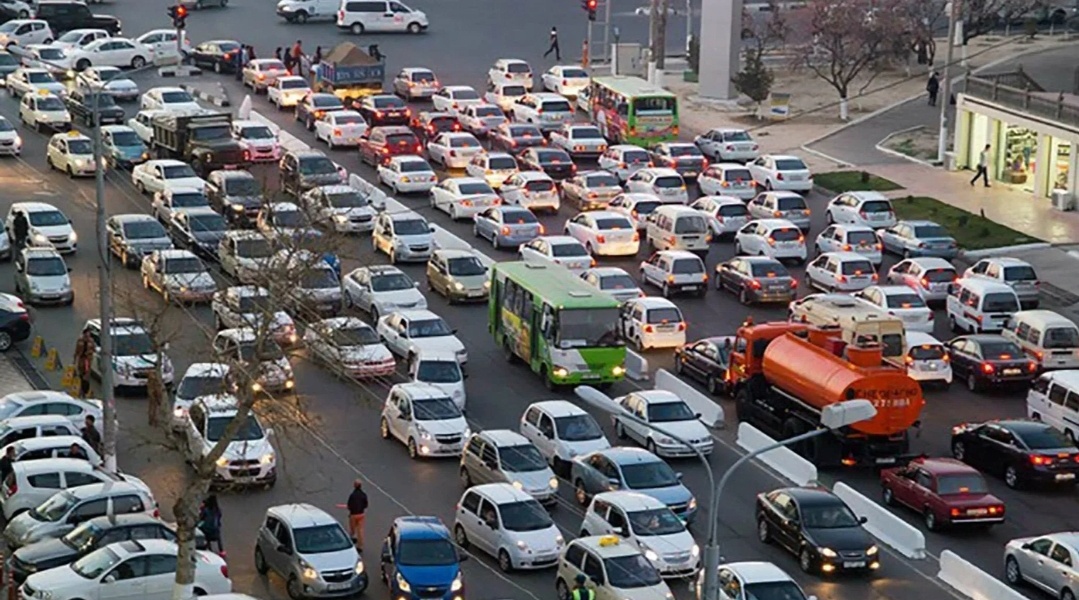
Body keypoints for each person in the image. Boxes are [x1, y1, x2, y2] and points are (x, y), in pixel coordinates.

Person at [73, 329, 95, 400]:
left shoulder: (91, 341)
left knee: (87, 375)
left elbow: (94, 350)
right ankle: (82, 390)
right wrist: (74, 360)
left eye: (89, 334)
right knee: (81, 374)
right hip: (81, 359)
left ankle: (86, 391)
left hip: (87, 360)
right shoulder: (80, 341)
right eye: (86, 334)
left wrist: (89, 352)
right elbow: (76, 351)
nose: (87, 336)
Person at [347, 479, 368, 549]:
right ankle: (360, 546)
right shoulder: (363, 495)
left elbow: (349, 505)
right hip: (361, 514)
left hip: (353, 514)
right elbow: (366, 505)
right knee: (360, 530)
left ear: (354, 486)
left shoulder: (352, 495)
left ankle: (352, 540)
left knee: (352, 529)